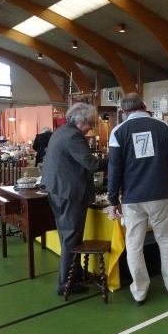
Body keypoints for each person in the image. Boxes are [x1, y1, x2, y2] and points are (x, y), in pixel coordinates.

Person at [108, 93, 168, 306]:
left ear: (124, 112)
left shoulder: (118, 132)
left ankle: (140, 291)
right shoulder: (164, 128)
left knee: (134, 244)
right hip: (161, 194)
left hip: (132, 198)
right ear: (145, 106)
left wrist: (113, 200)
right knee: (167, 242)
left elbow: (114, 169)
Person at [40, 103, 108, 295]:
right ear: (81, 121)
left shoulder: (61, 131)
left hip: (58, 190)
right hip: (69, 193)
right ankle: (65, 284)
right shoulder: (73, 136)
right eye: (90, 123)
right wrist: (117, 158)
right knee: (71, 238)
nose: (91, 127)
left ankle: (74, 276)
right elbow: (92, 164)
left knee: (66, 236)